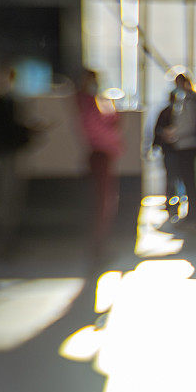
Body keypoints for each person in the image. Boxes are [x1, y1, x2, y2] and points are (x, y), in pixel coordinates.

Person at [0, 65, 33, 253]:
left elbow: (17, 130)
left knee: (10, 199)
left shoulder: (14, 103)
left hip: (10, 155)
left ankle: (7, 240)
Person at [76, 69, 124, 260]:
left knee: (104, 203)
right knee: (101, 204)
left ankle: (100, 246)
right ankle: (98, 248)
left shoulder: (93, 101)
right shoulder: (87, 103)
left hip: (104, 155)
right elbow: (100, 129)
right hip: (100, 155)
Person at [153, 73, 196, 232]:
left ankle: (194, 213)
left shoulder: (191, 101)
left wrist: (174, 134)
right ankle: (194, 212)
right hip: (186, 144)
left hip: (187, 145)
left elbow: (190, 125)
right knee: (189, 181)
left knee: (189, 181)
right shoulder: (190, 100)